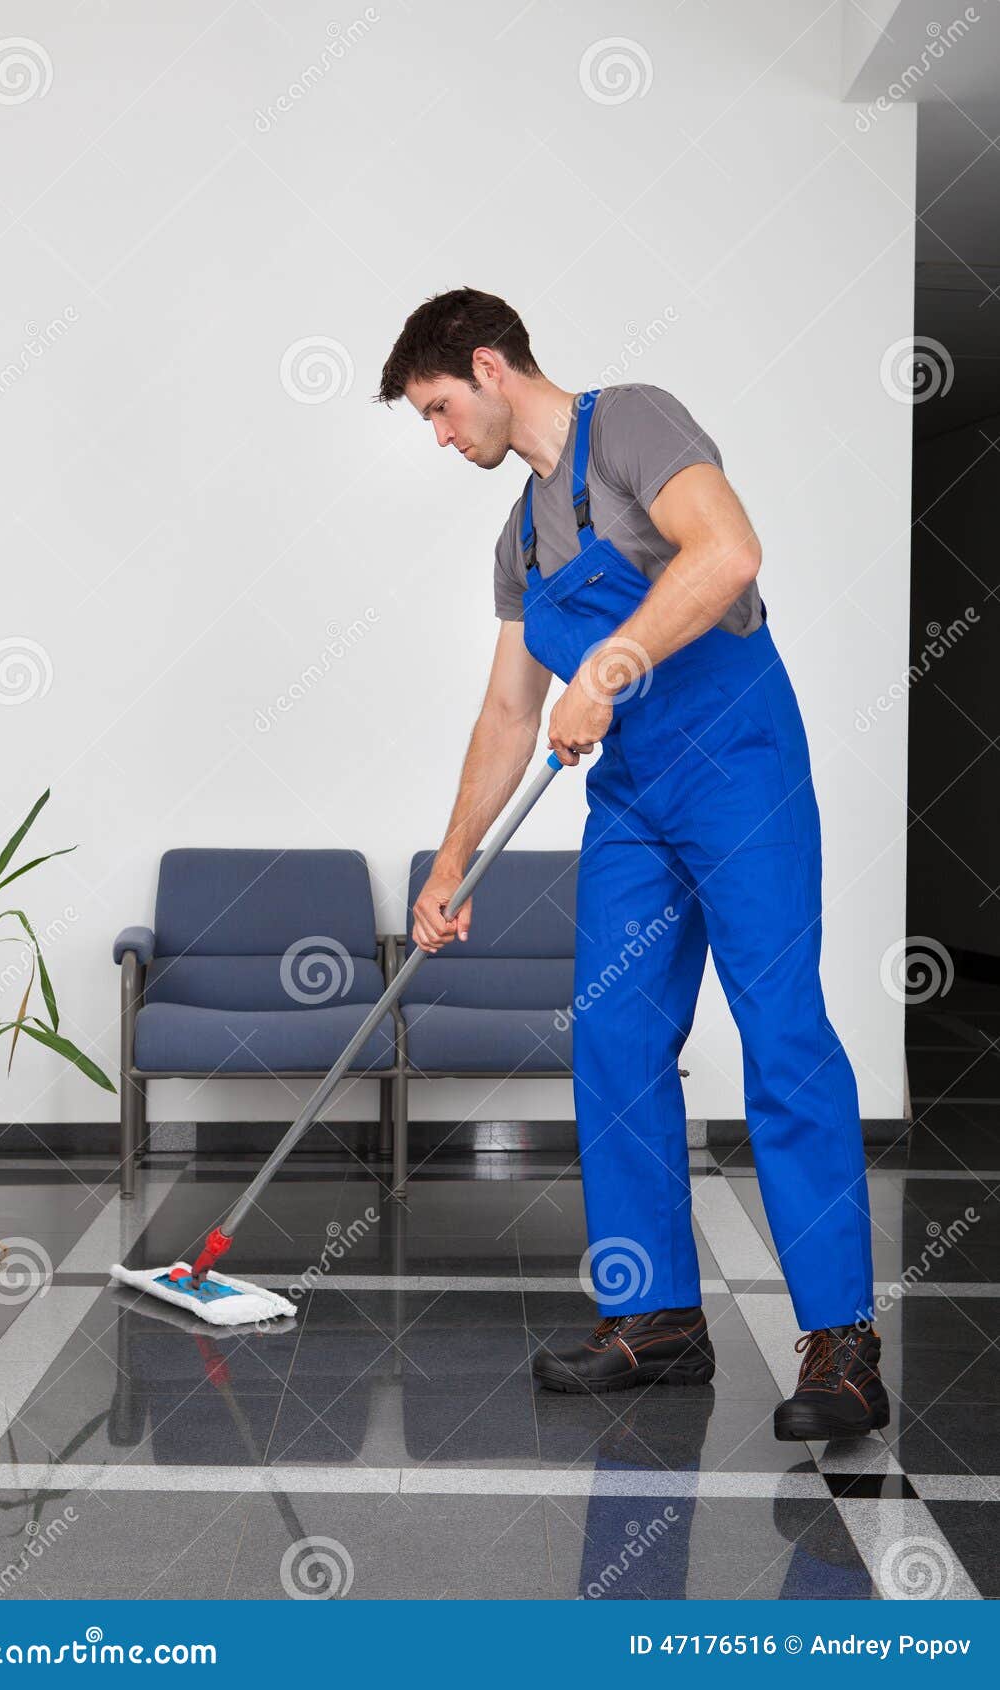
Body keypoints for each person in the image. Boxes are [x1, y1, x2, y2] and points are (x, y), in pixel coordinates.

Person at [376, 287, 888, 1441]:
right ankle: (654, 1315)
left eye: (441, 408)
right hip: (634, 799)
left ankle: (842, 1345)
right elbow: (508, 712)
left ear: (492, 366)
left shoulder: (633, 425)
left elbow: (726, 552)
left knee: (780, 1031)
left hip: (738, 765)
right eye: (426, 422)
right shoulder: (518, 542)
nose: (442, 436)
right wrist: (453, 864)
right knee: (610, 1033)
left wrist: (606, 667)